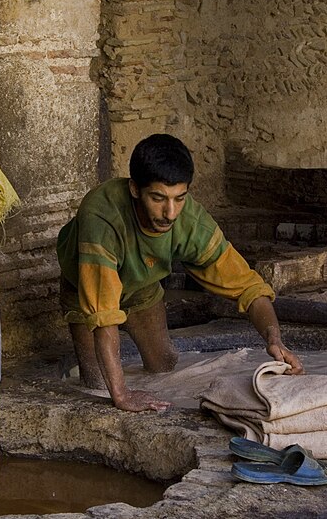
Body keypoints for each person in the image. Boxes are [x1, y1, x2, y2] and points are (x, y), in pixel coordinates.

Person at [56, 134, 304, 412]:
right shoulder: (101, 216)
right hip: (85, 290)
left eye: (179, 198)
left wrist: (273, 338)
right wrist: (122, 394)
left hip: (142, 288)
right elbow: (103, 316)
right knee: (98, 386)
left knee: (163, 365)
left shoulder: (191, 222)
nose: (170, 213)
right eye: (158, 198)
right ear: (135, 189)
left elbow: (250, 288)